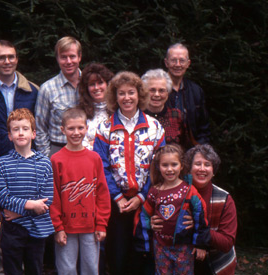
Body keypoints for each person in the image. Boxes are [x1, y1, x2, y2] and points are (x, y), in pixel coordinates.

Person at [93, 71, 165, 274]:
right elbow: (101, 166)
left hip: (147, 201)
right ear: (114, 97)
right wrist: (117, 197)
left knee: (143, 255)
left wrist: (142, 196)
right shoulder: (104, 128)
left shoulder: (155, 127)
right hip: (116, 203)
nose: (127, 98)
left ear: (139, 95)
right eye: (121, 93)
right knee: (117, 254)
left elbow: (160, 166)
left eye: (131, 92)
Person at [152, 144, 237, 274]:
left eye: (207, 164)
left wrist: (199, 226)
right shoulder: (174, 191)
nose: (202, 169)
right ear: (188, 168)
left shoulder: (224, 198)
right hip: (178, 257)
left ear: (213, 171)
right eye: (197, 164)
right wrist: (154, 221)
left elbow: (227, 243)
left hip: (214, 261)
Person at [50, 107, 111, 275]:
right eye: (71, 128)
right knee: (66, 269)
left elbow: (102, 194)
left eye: (80, 128)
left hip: (90, 226)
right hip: (66, 227)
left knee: (91, 268)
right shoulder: (56, 160)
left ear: (86, 128)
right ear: (62, 130)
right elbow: (53, 197)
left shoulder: (94, 158)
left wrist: (101, 224)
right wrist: (58, 227)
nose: (76, 132)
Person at [0, 108, 54, 275]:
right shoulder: (2, 164)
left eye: (25, 128)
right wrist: (30, 205)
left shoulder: (44, 163)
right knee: (12, 270)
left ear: (33, 134)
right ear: (9, 135)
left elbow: (47, 201)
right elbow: (2, 197)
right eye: (16, 129)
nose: (20, 133)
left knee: (34, 269)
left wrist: (20, 213)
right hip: (12, 230)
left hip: (36, 227)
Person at [134, 144, 210, 274]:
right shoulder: (154, 191)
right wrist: (149, 227)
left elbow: (200, 215)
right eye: (165, 165)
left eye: (174, 164)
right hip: (160, 247)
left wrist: (201, 244)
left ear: (181, 165)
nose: (170, 169)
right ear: (158, 167)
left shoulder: (189, 191)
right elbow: (144, 215)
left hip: (184, 248)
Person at [0, 40, 39, 157]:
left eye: (11, 57)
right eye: (1, 58)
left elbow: (40, 129)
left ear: (17, 59)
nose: (7, 62)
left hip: (27, 160)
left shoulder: (34, 91)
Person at [35, 36, 82, 157]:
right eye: (63, 57)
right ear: (57, 59)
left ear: (79, 57)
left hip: (87, 149)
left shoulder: (91, 85)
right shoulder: (47, 89)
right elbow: (40, 128)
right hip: (58, 149)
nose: (68, 61)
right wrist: (47, 158)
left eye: (72, 56)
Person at [164, 43, 210, 145]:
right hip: (163, 149)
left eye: (182, 60)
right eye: (173, 60)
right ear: (166, 63)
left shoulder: (196, 91)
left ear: (188, 63)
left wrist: (199, 149)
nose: (178, 64)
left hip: (190, 149)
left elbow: (204, 128)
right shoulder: (155, 89)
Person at [141, 68, 189, 148]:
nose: (157, 94)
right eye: (152, 90)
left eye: (161, 91)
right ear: (144, 92)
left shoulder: (177, 116)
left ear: (168, 93)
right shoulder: (136, 116)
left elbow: (185, 145)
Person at [78, 63, 114, 150]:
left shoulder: (118, 110)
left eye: (100, 83)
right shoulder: (79, 112)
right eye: (91, 84)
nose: (96, 87)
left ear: (108, 84)